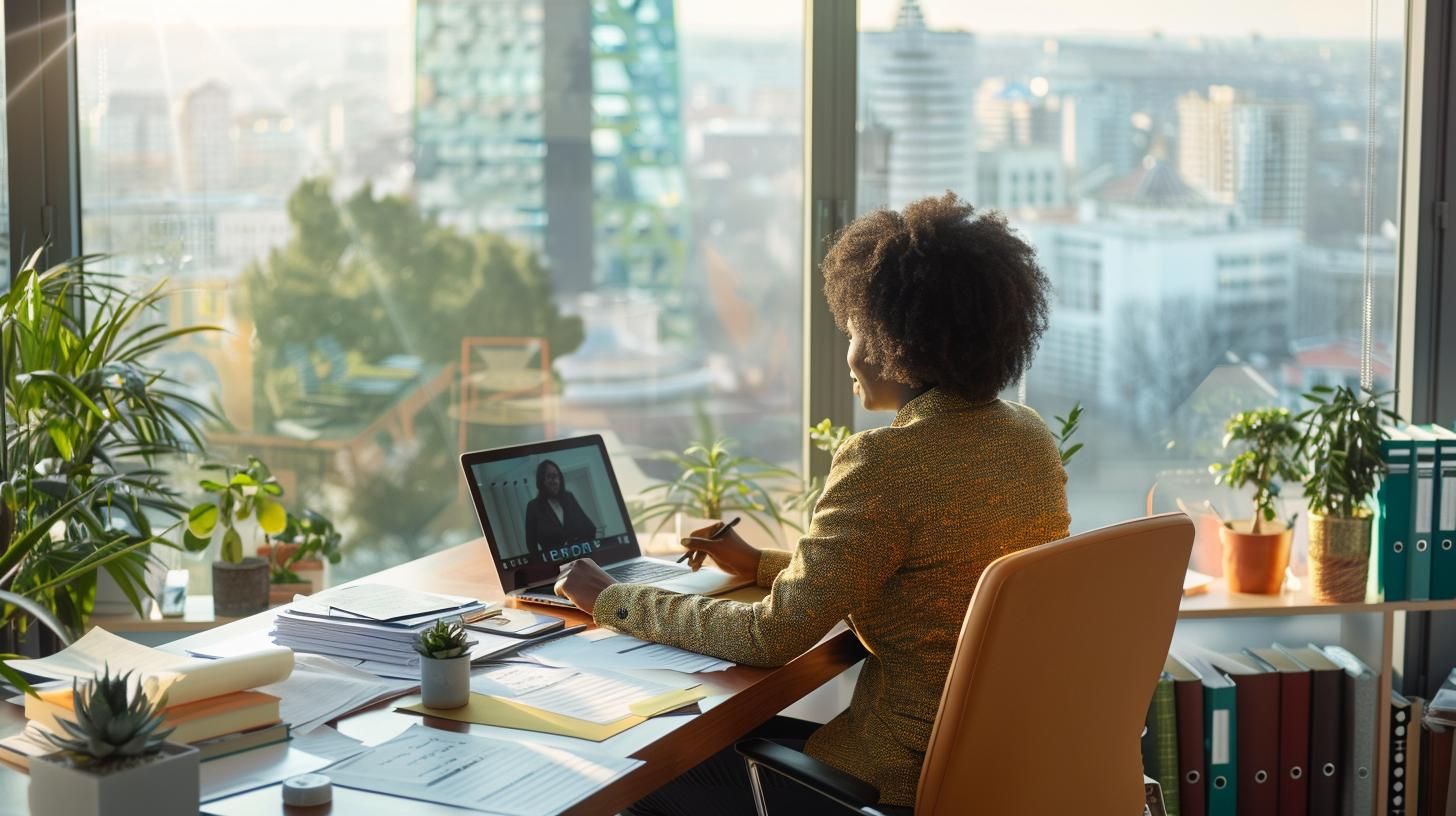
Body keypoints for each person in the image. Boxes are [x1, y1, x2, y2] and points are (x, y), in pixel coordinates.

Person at [554, 192, 1071, 813]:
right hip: (988, 764)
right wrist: (760, 565)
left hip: (892, 780)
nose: (848, 356)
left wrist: (610, 599)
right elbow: (928, 570)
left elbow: (773, 636)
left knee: (636, 770)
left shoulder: (886, 461)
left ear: (894, 343)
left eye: (854, 333)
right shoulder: (1026, 434)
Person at [523, 459, 597, 556]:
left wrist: (586, 550)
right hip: (555, 565)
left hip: (580, 559)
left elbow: (590, 528)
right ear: (541, 480)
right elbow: (531, 544)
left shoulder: (569, 497)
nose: (556, 481)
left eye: (557, 476)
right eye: (550, 477)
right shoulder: (533, 506)